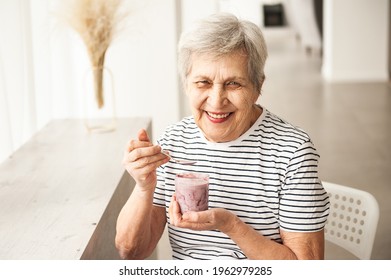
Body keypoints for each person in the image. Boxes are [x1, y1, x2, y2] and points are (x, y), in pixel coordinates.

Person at [115, 13, 330, 260]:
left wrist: (230, 225)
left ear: (258, 86)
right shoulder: (173, 143)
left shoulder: (292, 152)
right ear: (186, 85)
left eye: (233, 84)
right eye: (203, 82)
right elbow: (130, 252)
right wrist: (144, 187)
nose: (217, 101)